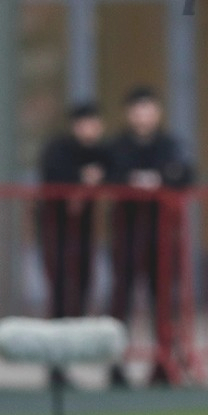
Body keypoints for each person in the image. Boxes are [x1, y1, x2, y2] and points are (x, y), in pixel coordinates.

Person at [108, 86, 194, 387]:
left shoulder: (170, 144)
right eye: (138, 109)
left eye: (148, 109)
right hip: (128, 233)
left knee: (163, 300)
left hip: (162, 236)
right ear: (129, 113)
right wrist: (133, 182)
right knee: (122, 299)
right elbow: (111, 177)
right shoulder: (118, 146)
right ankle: (116, 363)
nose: (143, 116)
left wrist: (158, 180)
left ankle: (164, 361)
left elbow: (184, 174)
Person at [36, 102, 113, 386]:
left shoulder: (102, 151)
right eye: (84, 123)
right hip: (56, 231)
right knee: (59, 292)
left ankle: (67, 358)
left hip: (83, 234)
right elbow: (54, 176)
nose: (89, 129)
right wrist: (83, 178)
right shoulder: (58, 149)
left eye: (94, 123)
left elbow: (115, 170)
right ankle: (55, 364)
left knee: (81, 290)